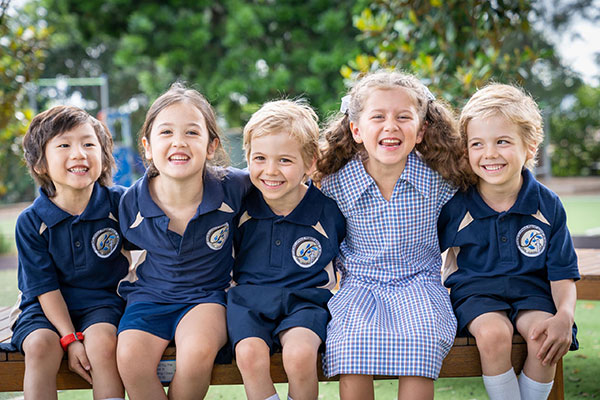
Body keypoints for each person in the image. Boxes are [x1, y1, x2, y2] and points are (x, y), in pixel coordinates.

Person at [315, 70, 473, 400]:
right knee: (348, 345)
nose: (391, 126)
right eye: (378, 117)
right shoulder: (335, 185)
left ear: (421, 130)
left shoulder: (438, 181)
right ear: (357, 130)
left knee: (423, 340)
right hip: (359, 289)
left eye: (403, 117)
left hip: (421, 287)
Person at [438, 83, 579, 400]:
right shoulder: (456, 205)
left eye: (502, 141)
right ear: (466, 150)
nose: (489, 153)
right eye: (477, 144)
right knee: (493, 334)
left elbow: (562, 273)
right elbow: (427, 256)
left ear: (530, 147)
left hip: (533, 294)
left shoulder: (547, 204)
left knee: (543, 337)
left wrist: (564, 317)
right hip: (477, 295)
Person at [115, 83, 250, 399]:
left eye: (192, 132)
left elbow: (281, 178)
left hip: (206, 297)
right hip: (149, 296)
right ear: (147, 146)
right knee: (129, 359)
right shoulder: (128, 202)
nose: (179, 142)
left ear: (211, 145)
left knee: (197, 352)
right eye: (166, 133)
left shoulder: (235, 187)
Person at [227, 99, 346, 400]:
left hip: (305, 301)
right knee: (250, 356)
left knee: (300, 356)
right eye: (260, 158)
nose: (270, 171)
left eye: (285, 160)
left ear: (310, 163)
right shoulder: (239, 205)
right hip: (248, 301)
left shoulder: (327, 211)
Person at [10, 105, 128, 400]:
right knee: (39, 346)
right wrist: (69, 338)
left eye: (89, 144)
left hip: (101, 303)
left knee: (103, 344)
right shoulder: (31, 221)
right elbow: (44, 288)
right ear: (40, 164)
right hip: (45, 309)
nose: (79, 153)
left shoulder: (120, 204)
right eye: (64, 145)